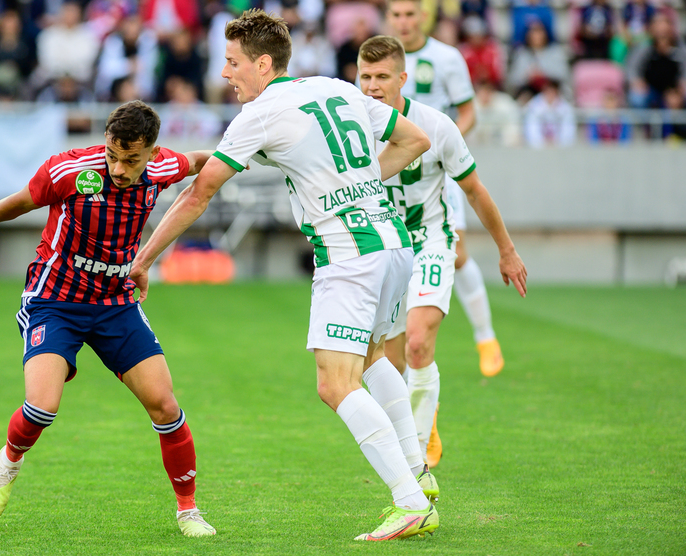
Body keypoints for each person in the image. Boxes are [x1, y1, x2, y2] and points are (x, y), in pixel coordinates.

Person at [130, 10, 438, 542]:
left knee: (335, 383)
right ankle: (418, 473)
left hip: (349, 254)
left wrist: (143, 260)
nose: (225, 73)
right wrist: (358, 181)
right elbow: (414, 139)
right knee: (372, 357)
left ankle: (409, 501)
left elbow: (200, 193)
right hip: (392, 243)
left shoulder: (260, 114)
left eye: (233, 62)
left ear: (263, 64)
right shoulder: (335, 87)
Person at [0, 101, 218, 538]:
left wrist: (240, 155)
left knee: (166, 406)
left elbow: (198, 161)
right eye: (113, 155)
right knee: (42, 407)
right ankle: (9, 461)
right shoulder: (71, 169)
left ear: (152, 153)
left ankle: (188, 511)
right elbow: (23, 200)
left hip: (115, 302)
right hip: (54, 299)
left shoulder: (163, 166)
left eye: (131, 159)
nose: (118, 168)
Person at [357, 35, 527, 482]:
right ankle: (421, 423)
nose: (372, 86)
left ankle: (416, 455)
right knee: (389, 361)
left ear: (403, 78)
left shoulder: (437, 126)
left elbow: (475, 191)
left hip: (432, 241)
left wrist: (506, 250)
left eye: (381, 76)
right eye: (365, 76)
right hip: (385, 250)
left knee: (418, 343)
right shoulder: (351, 130)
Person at [386, 0, 503, 467]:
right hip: (393, 186)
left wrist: (444, 139)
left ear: (425, 17)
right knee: (390, 346)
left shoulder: (447, 58)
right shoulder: (377, 62)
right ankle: (422, 412)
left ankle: (485, 336)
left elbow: (467, 111)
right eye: (396, 15)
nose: (403, 22)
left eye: (410, 14)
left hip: (437, 169)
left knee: (457, 251)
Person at [523, 79, 576, 147]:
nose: (550, 94)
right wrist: (539, 143)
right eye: (548, 91)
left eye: (552, 91)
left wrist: (560, 143)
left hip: (559, 144)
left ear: (556, 92)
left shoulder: (565, 107)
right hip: (539, 145)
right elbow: (531, 127)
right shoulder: (534, 104)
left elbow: (568, 129)